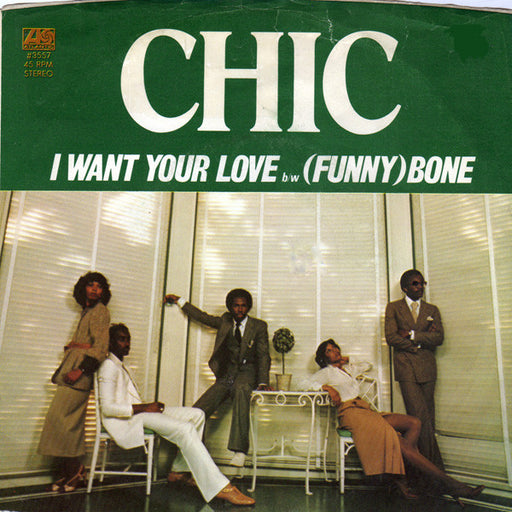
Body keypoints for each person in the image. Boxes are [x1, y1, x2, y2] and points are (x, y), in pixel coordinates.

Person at [302, 339, 484, 503]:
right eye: (329, 350)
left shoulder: (348, 369)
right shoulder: (326, 373)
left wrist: (347, 359)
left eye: (335, 348)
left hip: (366, 411)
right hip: (351, 414)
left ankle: (400, 477)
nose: (335, 351)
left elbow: (368, 365)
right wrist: (326, 387)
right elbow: (302, 383)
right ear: (323, 358)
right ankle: (452, 485)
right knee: (398, 442)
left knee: (414, 423)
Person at [98, 323, 254, 505]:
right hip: (124, 420)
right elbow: (107, 408)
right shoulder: (108, 366)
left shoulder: (121, 366)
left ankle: (179, 471)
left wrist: (147, 407)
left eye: (128, 339)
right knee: (185, 429)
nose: (127, 344)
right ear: (110, 342)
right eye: (121, 339)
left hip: (137, 413)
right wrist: (145, 407)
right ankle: (220, 487)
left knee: (197, 414)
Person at [164, 289, 271, 467]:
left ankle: (239, 451)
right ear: (230, 307)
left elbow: (263, 355)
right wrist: (180, 301)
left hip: (247, 373)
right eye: (236, 305)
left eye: (244, 306)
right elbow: (202, 317)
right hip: (227, 375)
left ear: (248, 307)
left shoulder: (259, 326)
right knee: (198, 410)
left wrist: (263, 381)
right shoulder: (225, 322)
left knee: (242, 389)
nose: (240, 309)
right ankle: (194, 453)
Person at [38, 271, 111, 492]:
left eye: (99, 286)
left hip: (79, 375)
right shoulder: (87, 311)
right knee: (63, 423)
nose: (95, 289)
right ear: (83, 288)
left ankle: (76, 470)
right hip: (71, 371)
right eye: (90, 285)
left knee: (66, 423)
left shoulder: (100, 311)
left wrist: (80, 370)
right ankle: (69, 471)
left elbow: (100, 348)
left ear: (103, 292)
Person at [385, 269, 444, 470]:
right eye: (415, 284)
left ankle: (421, 474)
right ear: (405, 288)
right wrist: (420, 343)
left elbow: (439, 338)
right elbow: (391, 337)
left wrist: (412, 335)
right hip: (406, 368)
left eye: (422, 283)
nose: (420, 287)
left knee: (428, 419)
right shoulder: (393, 307)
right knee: (418, 417)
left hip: (428, 369)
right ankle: (438, 473)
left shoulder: (432, 310)